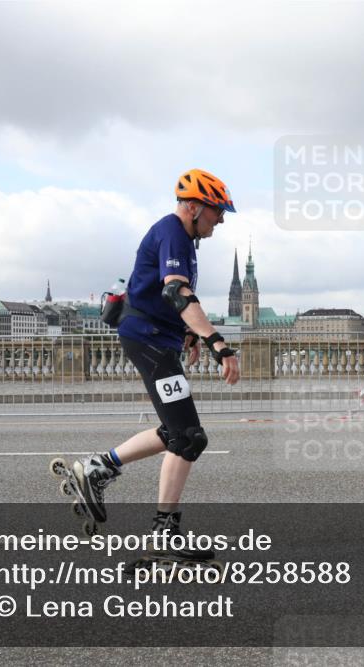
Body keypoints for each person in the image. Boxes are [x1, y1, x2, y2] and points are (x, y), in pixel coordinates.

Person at [68, 168, 240, 560]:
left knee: (176, 431)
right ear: (195, 207)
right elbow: (175, 292)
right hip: (147, 340)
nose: (222, 219)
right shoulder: (172, 230)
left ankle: (98, 468)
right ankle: (163, 536)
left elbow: (169, 298)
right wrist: (218, 344)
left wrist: (191, 333)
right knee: (189, 437)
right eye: (217, 210)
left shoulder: (183, 239)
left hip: (155, 339)